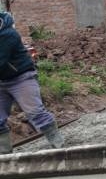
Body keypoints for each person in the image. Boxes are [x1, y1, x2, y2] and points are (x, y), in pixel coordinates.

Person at [0, 11, 64, 153]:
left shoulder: (8, 34)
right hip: (1, 81)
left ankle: (58, 144)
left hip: (21, 78)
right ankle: (4, 154)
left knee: (35, 112)